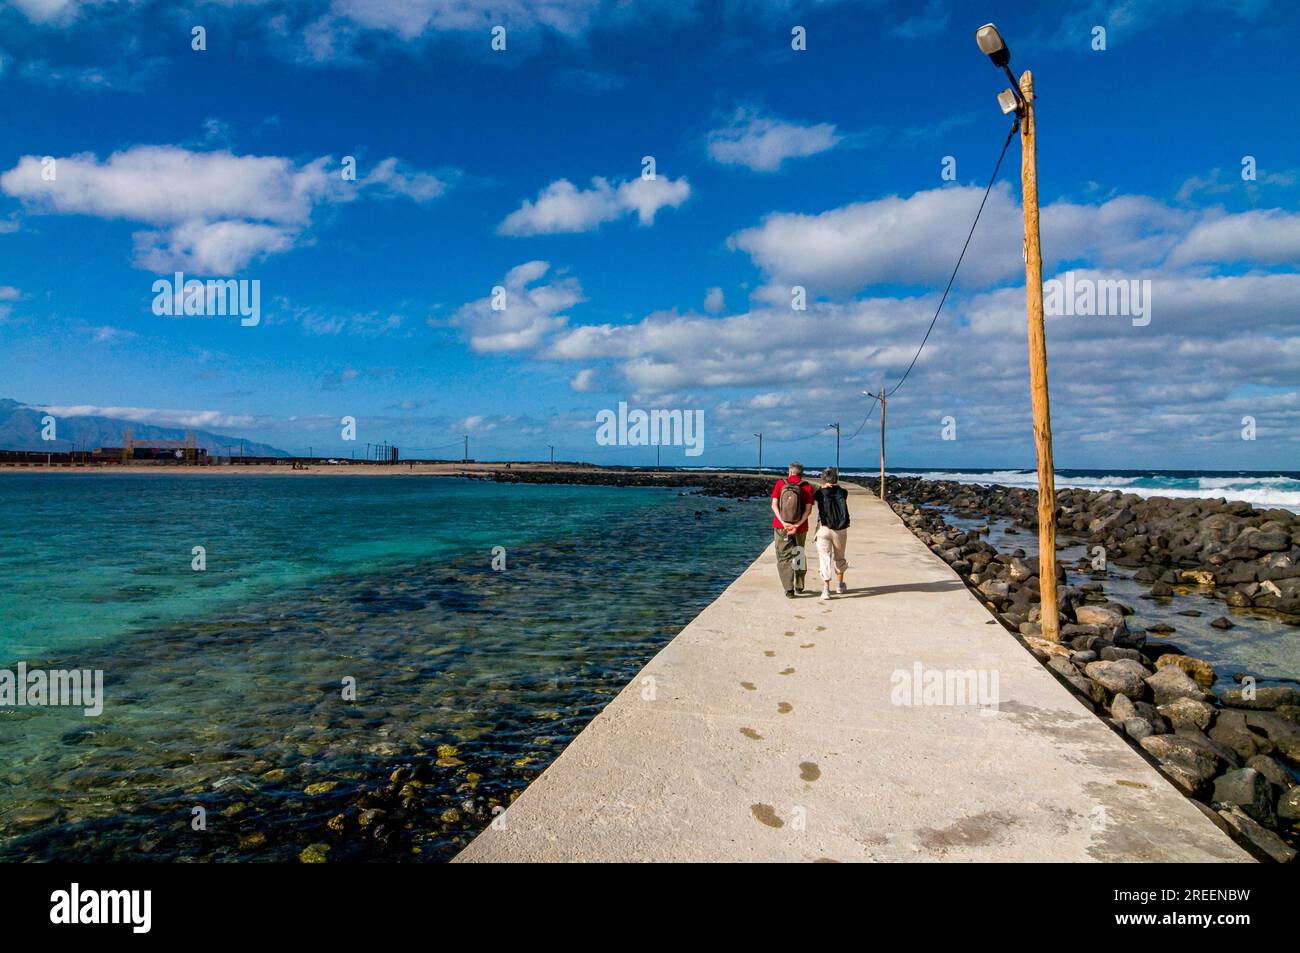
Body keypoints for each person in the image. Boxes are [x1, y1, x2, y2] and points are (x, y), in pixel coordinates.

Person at [770, 461, 815, 598]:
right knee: (799, 553)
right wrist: (797, 524)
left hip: (781, 526)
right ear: (801, 473)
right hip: (800, 527)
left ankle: (789, 589)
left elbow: (774, 505)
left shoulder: (780, 484)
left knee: (784, 557)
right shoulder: (806, 486)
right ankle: (799, 585)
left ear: (790, 472)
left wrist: (784, 523)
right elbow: (808, 510)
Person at [812, 467, 850, 600]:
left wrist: (823, 486)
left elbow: (814, 499)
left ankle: (826, 590)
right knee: (840, 558)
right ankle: (839, 585)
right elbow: (840, 493)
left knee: (824, 558)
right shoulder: (843, 492)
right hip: (840, 530)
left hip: (824, 529)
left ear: (823, 479)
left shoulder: (819, 493)